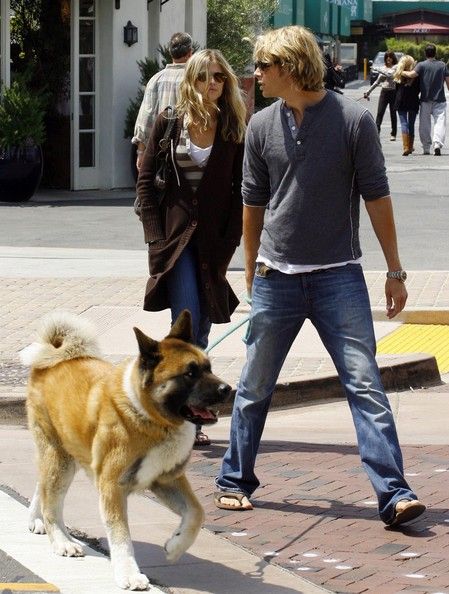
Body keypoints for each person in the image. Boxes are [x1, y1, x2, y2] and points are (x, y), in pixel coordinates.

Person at [214, 25, 425, 528]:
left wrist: (394, 270)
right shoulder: (262, 125)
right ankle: (233, 480)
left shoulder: (353, 119)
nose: (257, 74)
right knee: (254, 385)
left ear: (289, 67)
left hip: (339, 277)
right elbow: (253, 203)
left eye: (264, 66)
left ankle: (393, 493)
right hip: (276, 277)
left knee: (365, 385)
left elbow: (376, 195)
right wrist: (250, 270)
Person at [136, 49, 246, 446]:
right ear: (191, 80)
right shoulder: (168, 121)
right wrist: (154, 235)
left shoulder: (233, 124)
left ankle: (173, 406)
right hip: (175, 240)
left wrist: (233, 239)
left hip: (213, 242)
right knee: (188, 319)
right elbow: (145, 181)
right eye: (203, 76)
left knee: (199, 326)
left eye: (219, 76)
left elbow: (240, 191)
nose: (212, 83)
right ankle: (185, 417)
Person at [132, 32, 193, 172]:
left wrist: (141, 152)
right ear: (190, 53)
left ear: (170, 53)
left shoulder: (156, 79)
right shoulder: (194, 80)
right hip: (188, 149)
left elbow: (145, 118)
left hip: (160, 149)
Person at [400, 44, 449, 156]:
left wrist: (400, 71)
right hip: (440, 100)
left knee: (424, 124)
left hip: (425, 99)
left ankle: (426, 147)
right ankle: (437, 144)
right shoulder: (442, 65)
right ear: (435, 53)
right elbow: (448, 82)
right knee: (440, 123)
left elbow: (411, 75)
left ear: (425, 54)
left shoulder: (421, 65)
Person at [364, 51, 398, 141]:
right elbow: (377, 82)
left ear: (393, 58)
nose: (388, 59)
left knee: (393, 113)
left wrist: (377, 69)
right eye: (387, 57)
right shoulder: (383, 68)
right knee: (380, 112)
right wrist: (368, 91)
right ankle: (376, 132)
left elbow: (390, 75)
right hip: (384, 92)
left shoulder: (396, 67)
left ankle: (393, 134)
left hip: (393, 92)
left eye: (390, 57)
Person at [393, 55, 420, 157]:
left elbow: (396, 90)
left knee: (404, 123)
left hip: (401, 101)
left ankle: (406, 147)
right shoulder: (416, 75)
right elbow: (419, 89)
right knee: (411, 124)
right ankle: (410, 146)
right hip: (413, 100)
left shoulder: (399, 74)